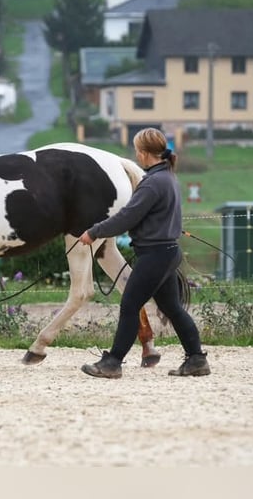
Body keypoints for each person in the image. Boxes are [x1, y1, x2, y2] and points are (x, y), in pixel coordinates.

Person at [77, 128, 210, 379]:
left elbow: (128, 216)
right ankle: (196, 360)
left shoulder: (152, 183)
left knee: (130, 305)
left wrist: (94, 232)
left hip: (156, 255)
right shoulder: (168, 177)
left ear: (143, 152)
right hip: (167, 252)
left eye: (137, 150)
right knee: (172, 306)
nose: (136, 155)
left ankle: (113, 362)